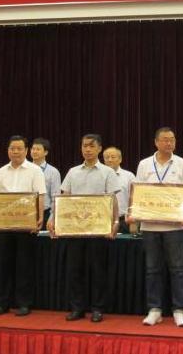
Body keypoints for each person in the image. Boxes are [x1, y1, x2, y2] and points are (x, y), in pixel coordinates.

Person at [49, 134, 120, 322]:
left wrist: (115, 223)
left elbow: (113, 200)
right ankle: (77, 308)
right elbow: (64, 198)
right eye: (84, 146)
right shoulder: (73, 172)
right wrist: (53, 218)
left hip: (99, 228)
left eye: (91, 146)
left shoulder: (108, 172)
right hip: (75, 229)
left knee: (98, 270)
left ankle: (97, 308)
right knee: (75, 269)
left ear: (99, 148)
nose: (87, 149)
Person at [131, 126, 183, 327]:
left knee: (178, 270)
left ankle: (179, 310)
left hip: (175, 227)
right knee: (152, 270)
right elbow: (138, 192)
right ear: (156, 142)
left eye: (172, 139)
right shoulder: (144, 164)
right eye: (165, 139)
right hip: (149, 226)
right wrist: (134, 215)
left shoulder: (182, 163)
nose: (169, 143)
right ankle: (154, 309)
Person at [0, 135, 46, 317]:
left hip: (26, 225)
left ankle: (24, 304)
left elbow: (41, 195)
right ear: (8, 150)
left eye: (19, 148)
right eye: (12, 148)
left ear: (26, 150)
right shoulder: (1, 171)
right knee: (2, 265)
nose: (15, 151)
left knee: (24, 266)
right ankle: (2, 303)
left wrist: (40, 218)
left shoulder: (35, 171)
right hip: (4, 225)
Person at [103, 145, 135, 233]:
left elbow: (134, 199)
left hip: (123, 221)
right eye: (107, 157)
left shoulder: (129, 176)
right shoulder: (99, 176)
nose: (109, 160)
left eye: (113, 157)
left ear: (120, 159)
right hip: (103, 221)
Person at [30, 137, 61, 228]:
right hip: (27, 212)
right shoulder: (25, 169)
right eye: (33, 149)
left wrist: (52, 217)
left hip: (46, 213)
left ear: (46, 152)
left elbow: (55, 197)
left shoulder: (53, 172)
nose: (34, 151)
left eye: (38, 149)